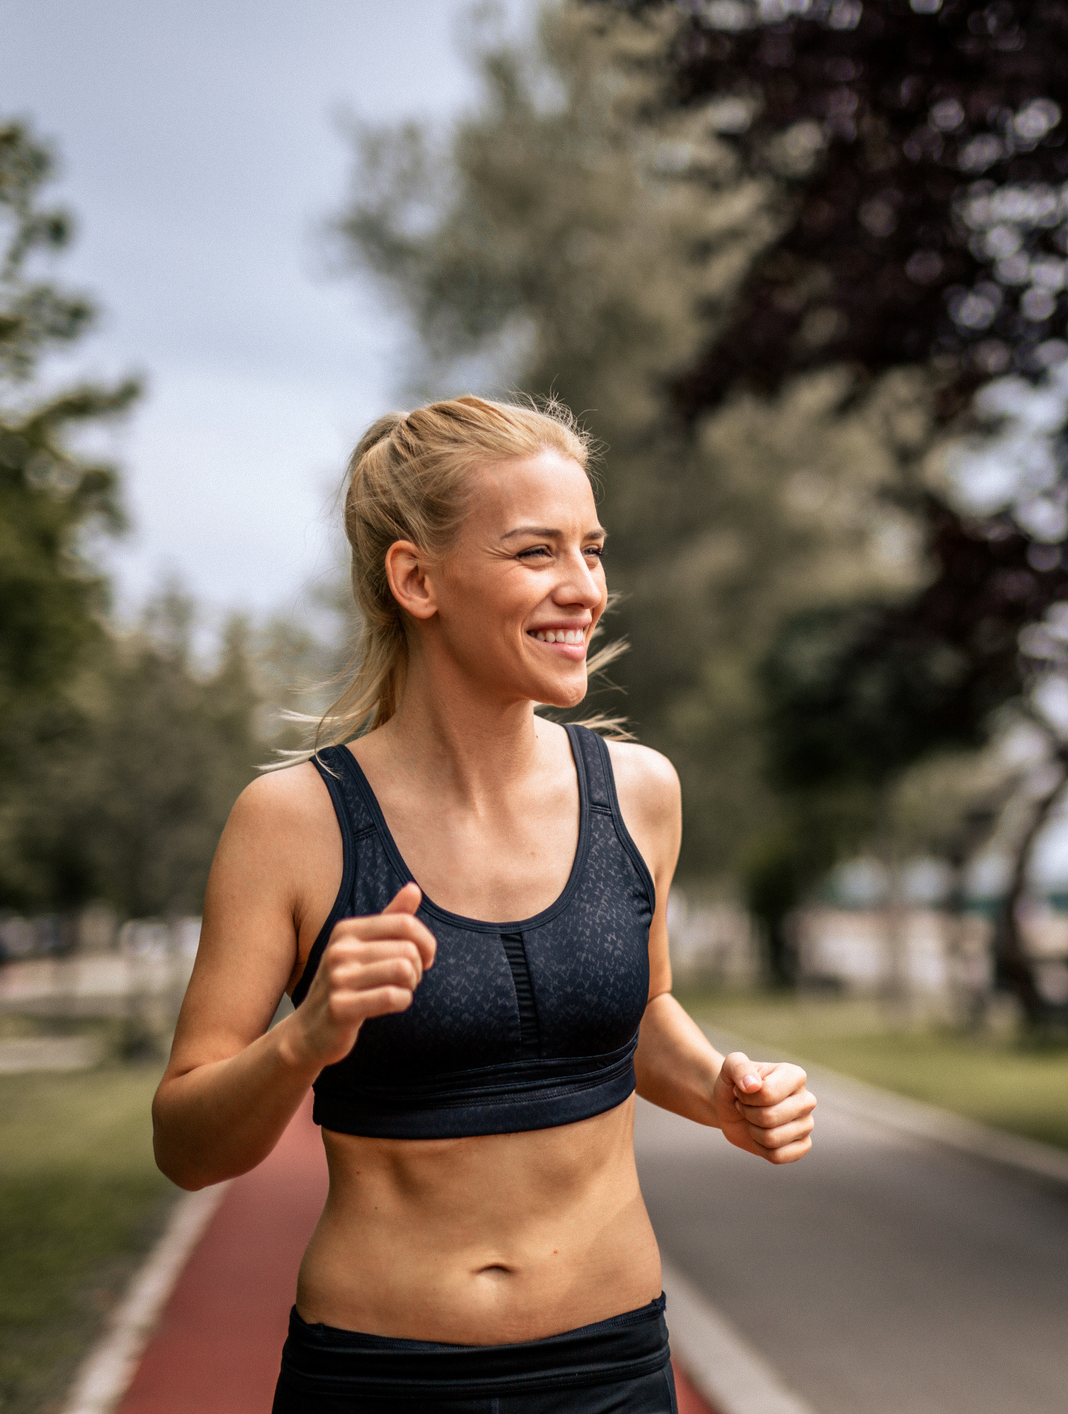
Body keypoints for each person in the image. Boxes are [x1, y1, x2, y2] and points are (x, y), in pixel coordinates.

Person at [151, 395, 816, 1413]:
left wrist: (724, 1088)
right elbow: (186, 1146)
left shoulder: (641, 794)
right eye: (536, 552)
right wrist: (305, 1039)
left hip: (613, 1368)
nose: (584, 589)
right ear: (416, 578)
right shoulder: (293, 822)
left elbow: (639, 1017)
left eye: (592, 550)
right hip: (380, 1379)